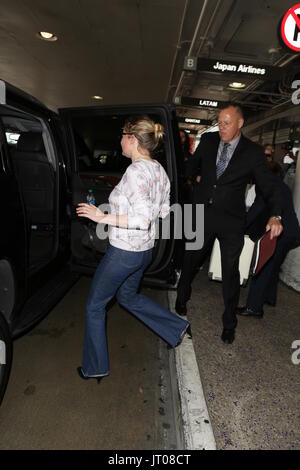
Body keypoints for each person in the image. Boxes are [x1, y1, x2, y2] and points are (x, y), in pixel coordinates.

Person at [76, 116, 190, 382]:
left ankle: (95, 367)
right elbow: (162, 212)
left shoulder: (136, 171)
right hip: (143, 252)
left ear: (133, 140)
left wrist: (101, 216)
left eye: (123, 136)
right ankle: (176, 326)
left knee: (94, 306)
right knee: (128, 297)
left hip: (124, 253)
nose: (120, 141)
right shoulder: (158, 170)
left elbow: (141, 219)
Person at [175, 102, 283, 344]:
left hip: (231, 222)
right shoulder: (210, 141)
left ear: (240, 124)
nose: (221, 127)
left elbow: (269, 186)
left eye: (227, 123)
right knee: (191, 260)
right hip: (202, 214)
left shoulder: (253, 152)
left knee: (231, 273)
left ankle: (229, 324)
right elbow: (189, 169)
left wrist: (276, 214)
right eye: (220, 122)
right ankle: (181, 300)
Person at [238, 162, 300, 317]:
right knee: (273, 265)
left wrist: (240, 227)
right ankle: (269, 297)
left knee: (263, 266)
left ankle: (254, 307)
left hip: (281, 233)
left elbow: (256, 210)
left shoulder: (265, 185)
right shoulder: (282, 185)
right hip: (293, 233)